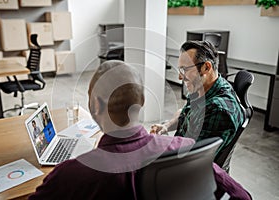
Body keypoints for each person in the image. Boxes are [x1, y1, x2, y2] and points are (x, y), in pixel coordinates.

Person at [29, 60, 251, 200]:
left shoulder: (70, 174)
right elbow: (242, 195)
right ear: (142, 101)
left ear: (95, 105)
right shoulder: (185, 150)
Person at [150, 40, 245, 157]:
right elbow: (185, 112)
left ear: (206, 67)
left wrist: (157, 148)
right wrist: (166, 126)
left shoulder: (218, 110)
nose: (180, 77)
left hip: (190, 167)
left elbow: (191, 158)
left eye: (185, 70)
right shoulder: (203, 87)